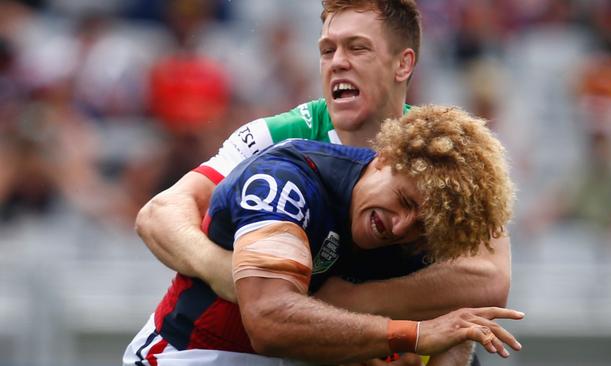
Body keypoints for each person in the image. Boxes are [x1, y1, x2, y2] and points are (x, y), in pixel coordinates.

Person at [135, 0, 512, 364]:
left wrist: (354, 308)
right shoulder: (280, 140)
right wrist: (228, 272)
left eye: (358, 48)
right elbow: (158, 214)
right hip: (208, 349)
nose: (338, 63)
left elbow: (488, 278)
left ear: (403, 63)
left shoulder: (438, 156)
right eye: (327, 50)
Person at [124, 105, 521, 365]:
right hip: (194, 355)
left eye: (420, 226)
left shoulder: (419, 231)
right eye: (404, 200)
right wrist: (411, 334)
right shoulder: (290, 177)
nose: (400, 226)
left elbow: (481, 292)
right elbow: (270, 322)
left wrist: (429, 337)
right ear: (386, 157)